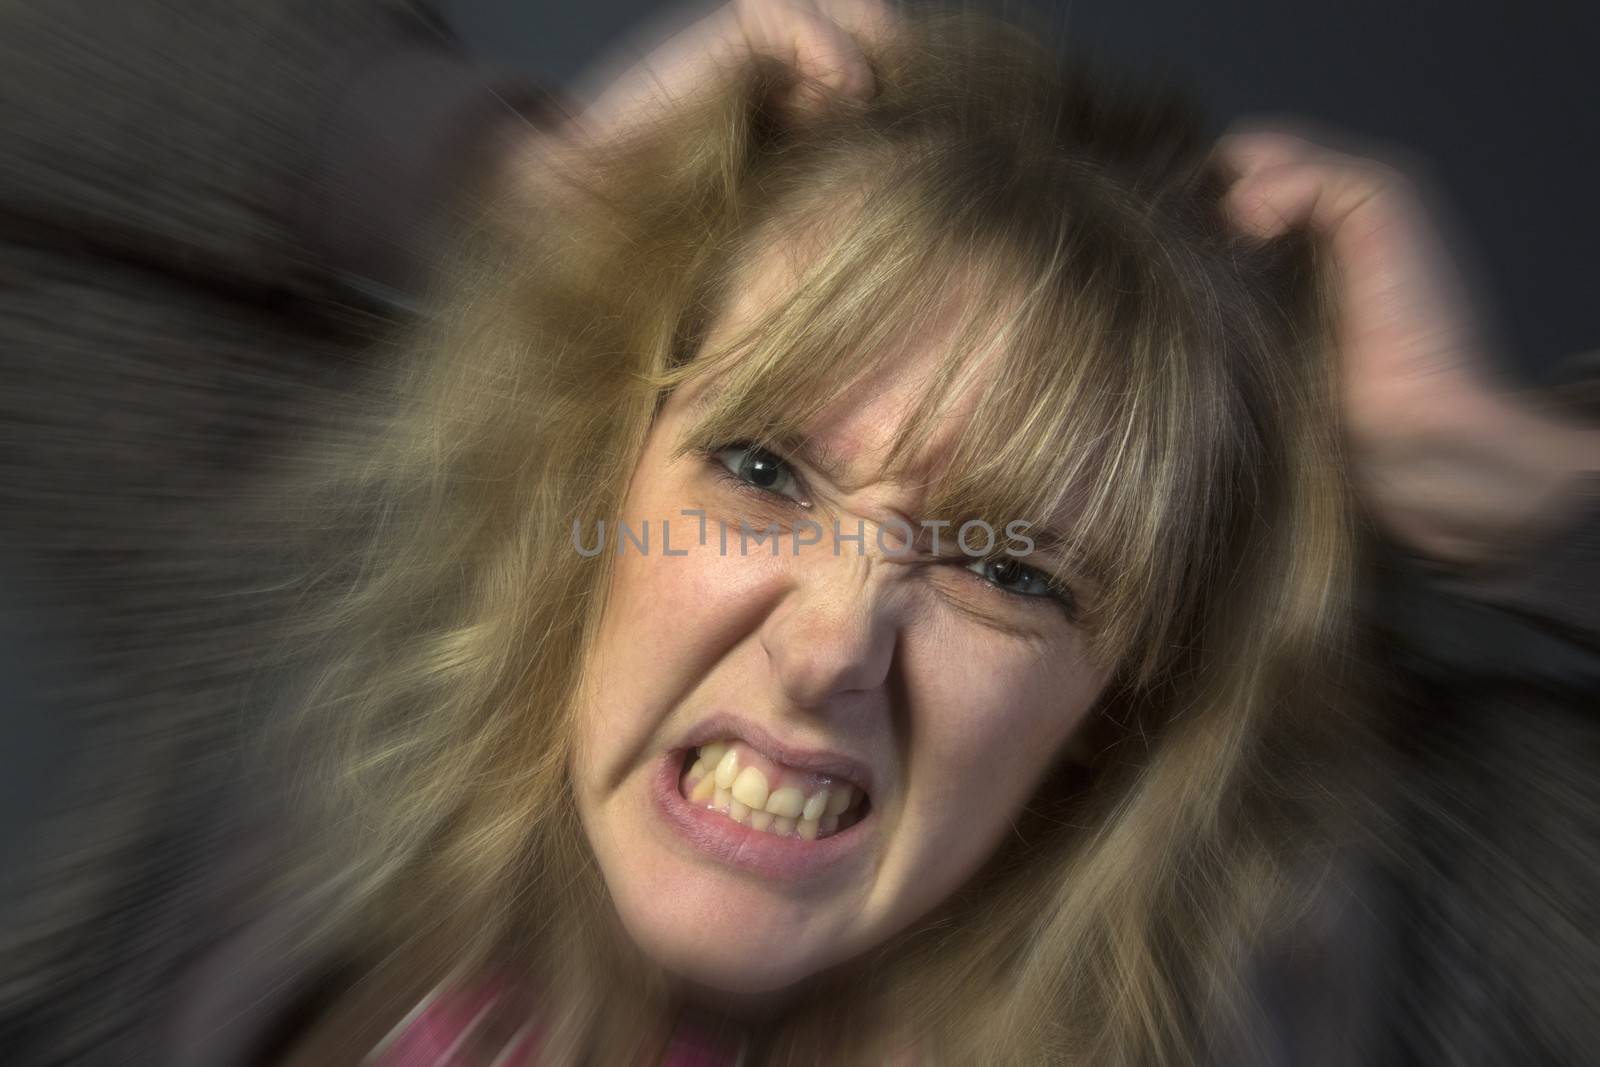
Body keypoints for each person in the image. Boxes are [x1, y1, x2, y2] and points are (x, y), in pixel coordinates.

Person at [0, 2, 1593, 1065]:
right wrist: (507, 185)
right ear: (595, 491)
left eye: (1011, 570)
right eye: (763, 469)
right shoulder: (305, 661)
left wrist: (1528, 497)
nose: (834, 645)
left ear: (1119, 718)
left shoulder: (1358, 955)